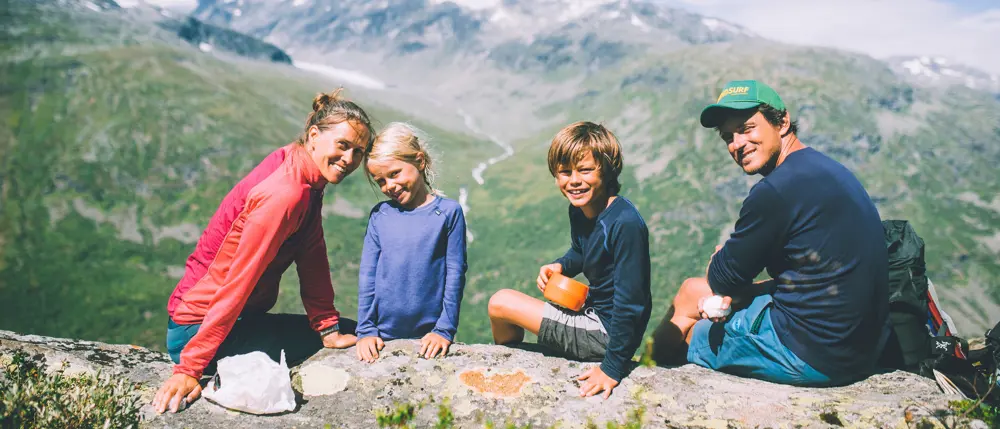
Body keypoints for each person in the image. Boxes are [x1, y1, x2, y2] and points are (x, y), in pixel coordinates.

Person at [650, 80, 889, 386]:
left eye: (747, 128)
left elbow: (723, 280)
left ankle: (647, 378)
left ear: (783, 121)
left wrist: (718, 260)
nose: (737, 144)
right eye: (728, 137)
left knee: (687, 320)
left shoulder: (775, 190)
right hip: (861, 346)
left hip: (814, 354)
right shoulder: (826, 168)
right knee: (693, 290)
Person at [152, 89, 375, 414]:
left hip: (223, 322)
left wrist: (327, 325)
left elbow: (312, 253)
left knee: (345, 332)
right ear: (314, 135)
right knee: (361, 336)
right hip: (198, 332)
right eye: (343, 146)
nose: (350, 160)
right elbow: (237, 281)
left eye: (359, 152)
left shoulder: (302, 171)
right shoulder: (286, 194)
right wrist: (190, 368)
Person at [487, 121, 652, 399]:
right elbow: (581, 251)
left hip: (606, 333)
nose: (574, 181)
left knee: (500, 303)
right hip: (594, 311)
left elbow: (631, 304)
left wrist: (611, 368)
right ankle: (515, 359)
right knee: (505, 305)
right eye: (564, 172)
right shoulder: (580, 210)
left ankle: (511, 362)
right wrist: (561, 265)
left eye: (585, 170)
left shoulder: (625, 224)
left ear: (608, 170)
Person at [355, 123, 468, 362]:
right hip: (382, 336)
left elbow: (455, 275)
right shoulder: (380, 216)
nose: (389, 186)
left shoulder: (449, 213)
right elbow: (368, 275)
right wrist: (366, 330)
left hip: (429, 338)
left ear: (420, 161)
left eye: (395, 173)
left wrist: (444, 330)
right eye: (381, 181)